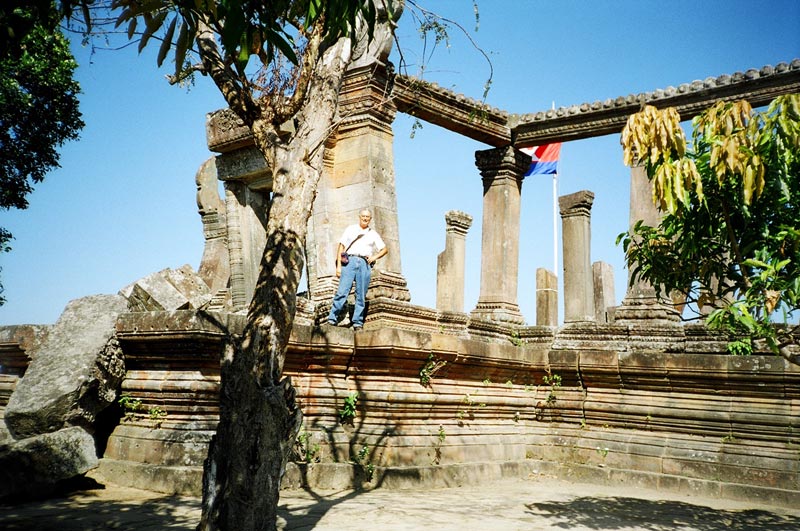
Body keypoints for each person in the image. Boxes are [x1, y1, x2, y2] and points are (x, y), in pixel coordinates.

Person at [326, 209, 388, 330]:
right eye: (363, 216)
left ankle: (357, 322)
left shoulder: (373, 233)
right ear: (359, 217)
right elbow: (341, 246)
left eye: (367, 217)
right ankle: (332, 318)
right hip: (350, 260)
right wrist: (338, 266)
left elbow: (384, 249)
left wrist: (374, 257)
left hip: (364, 263)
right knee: (342, 291)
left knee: (361, 295)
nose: (365, 218)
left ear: (370, 219)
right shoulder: (351, 229)